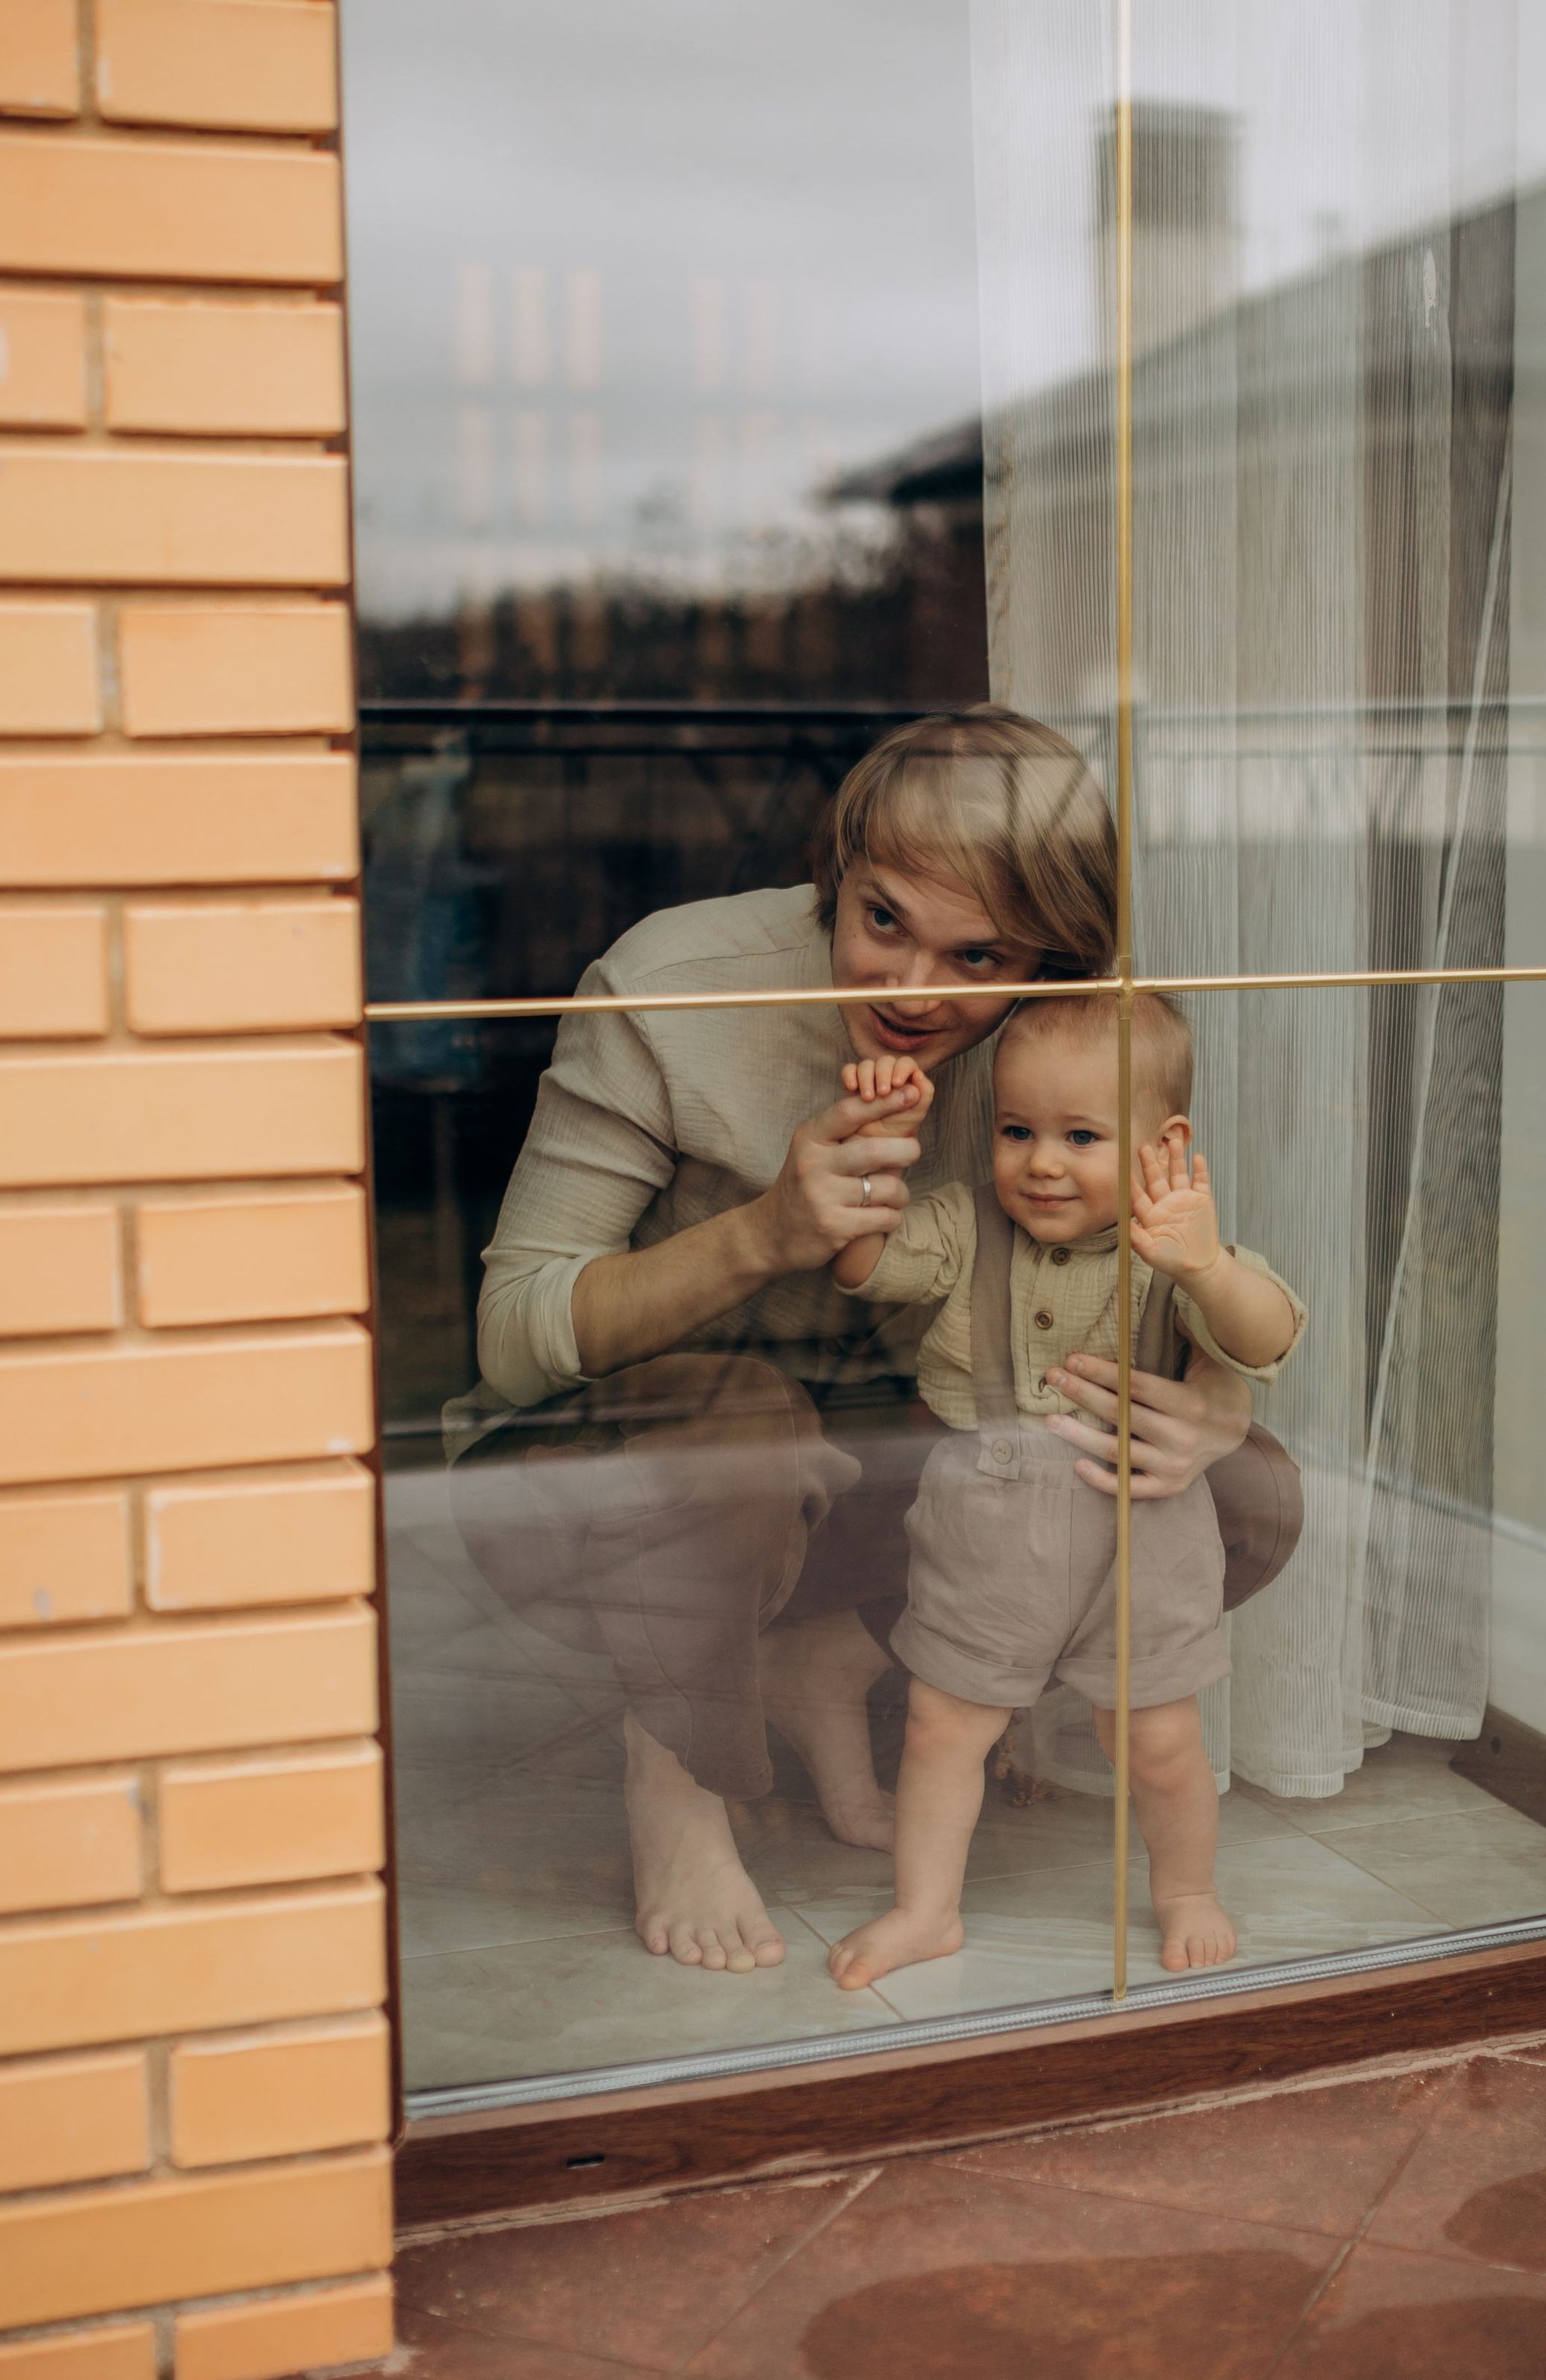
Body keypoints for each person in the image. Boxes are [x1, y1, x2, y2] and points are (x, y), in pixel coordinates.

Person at [449, 708, 1274, 1975]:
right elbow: (510, 1341)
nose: (913, 990)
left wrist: (1212, 1401)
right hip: (642, 1464)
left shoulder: (1061, 1038)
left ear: (1048, 961)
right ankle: (674, 1771)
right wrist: (763, 1231)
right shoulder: (670, 987)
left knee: (1250, 1493)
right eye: (883, 918)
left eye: (979, 954)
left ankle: (824, 1661)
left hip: (895, 1457)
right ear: (836, 871)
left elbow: (1173, 1262)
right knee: (733, 1411)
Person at [822, 990, 1305, 1988]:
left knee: (1159, 1740)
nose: (1041, 1161)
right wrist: (875, 1148)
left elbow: (1268, 1335)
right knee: (941, 1725)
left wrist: (1208, 1265)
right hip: (987, 1524)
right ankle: (926, 1910)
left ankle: (1184, 1889)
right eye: (1016, 1130)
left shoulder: (1174, 1247)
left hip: (1146, 1534)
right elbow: (866, 1262)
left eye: (1080, 1135)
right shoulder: (965, 1225)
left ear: (1160, 1143)